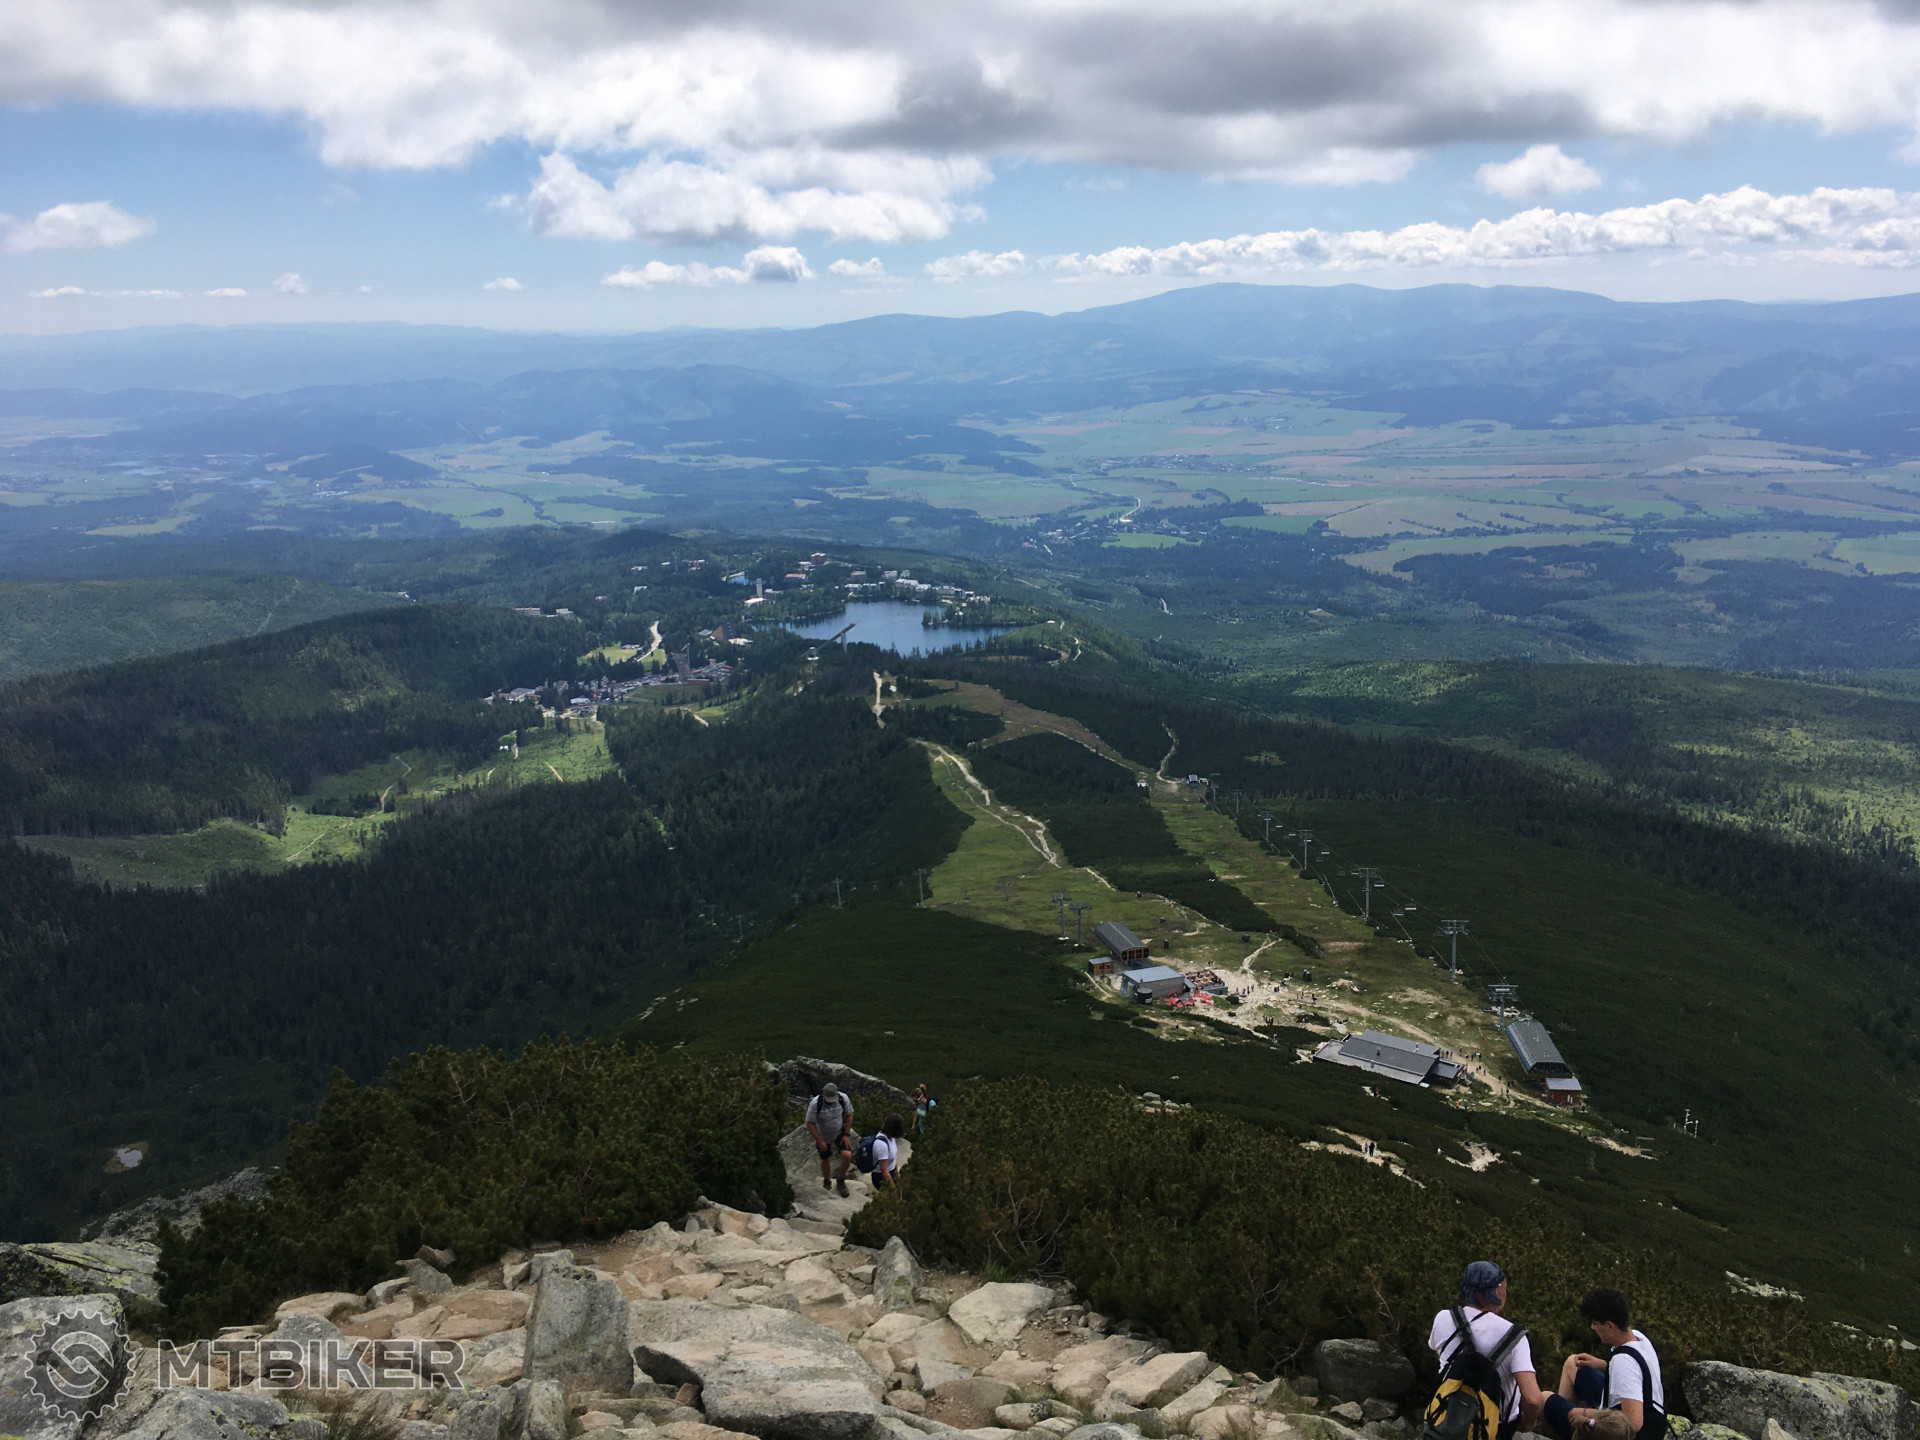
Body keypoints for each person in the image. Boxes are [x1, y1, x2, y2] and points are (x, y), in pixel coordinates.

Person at [1427, 1261, 1545, 1440]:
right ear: (1497, 1290)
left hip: (1445, 1416)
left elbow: (1437, 1351)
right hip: (1492, 1426)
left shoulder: (1443, 1318)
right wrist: (1528, 1422)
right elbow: (1533, 1399)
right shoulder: (1514, 1336)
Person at [1543, 1289, 1666, 1440]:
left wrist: (1585, 1413)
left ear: (1610, 1326)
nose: (1592, 1327)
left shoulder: (1623, 1362)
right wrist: (1602, 1364)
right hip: (1652, 1420)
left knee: (1545, 1399)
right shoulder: (1639, 1338)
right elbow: (1635, 1374)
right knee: (1573, 1363)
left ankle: (1568, 1429)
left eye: (1595, 1323)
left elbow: (1632, 1423)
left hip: (1623, 1434)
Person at [806, 1082, 855, 1197]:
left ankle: (840, 1180)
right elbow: (809, 1123)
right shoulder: (816, 1104)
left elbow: (850, 1115)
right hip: (823, 1134)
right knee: (825, 1158)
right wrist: (819, 1140)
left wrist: (846, 1134)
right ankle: (827, 1181)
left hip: (839, 1132)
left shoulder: (843, 1099)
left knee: (847, 1155)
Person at [870, 1113, 908, 1188]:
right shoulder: (881, 1144)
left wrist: (897, 1174)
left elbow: (893, 1158)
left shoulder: (891, 1138)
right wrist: (892, 1187)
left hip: (892, 1171)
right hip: (881, 1176)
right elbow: (884, 1170)